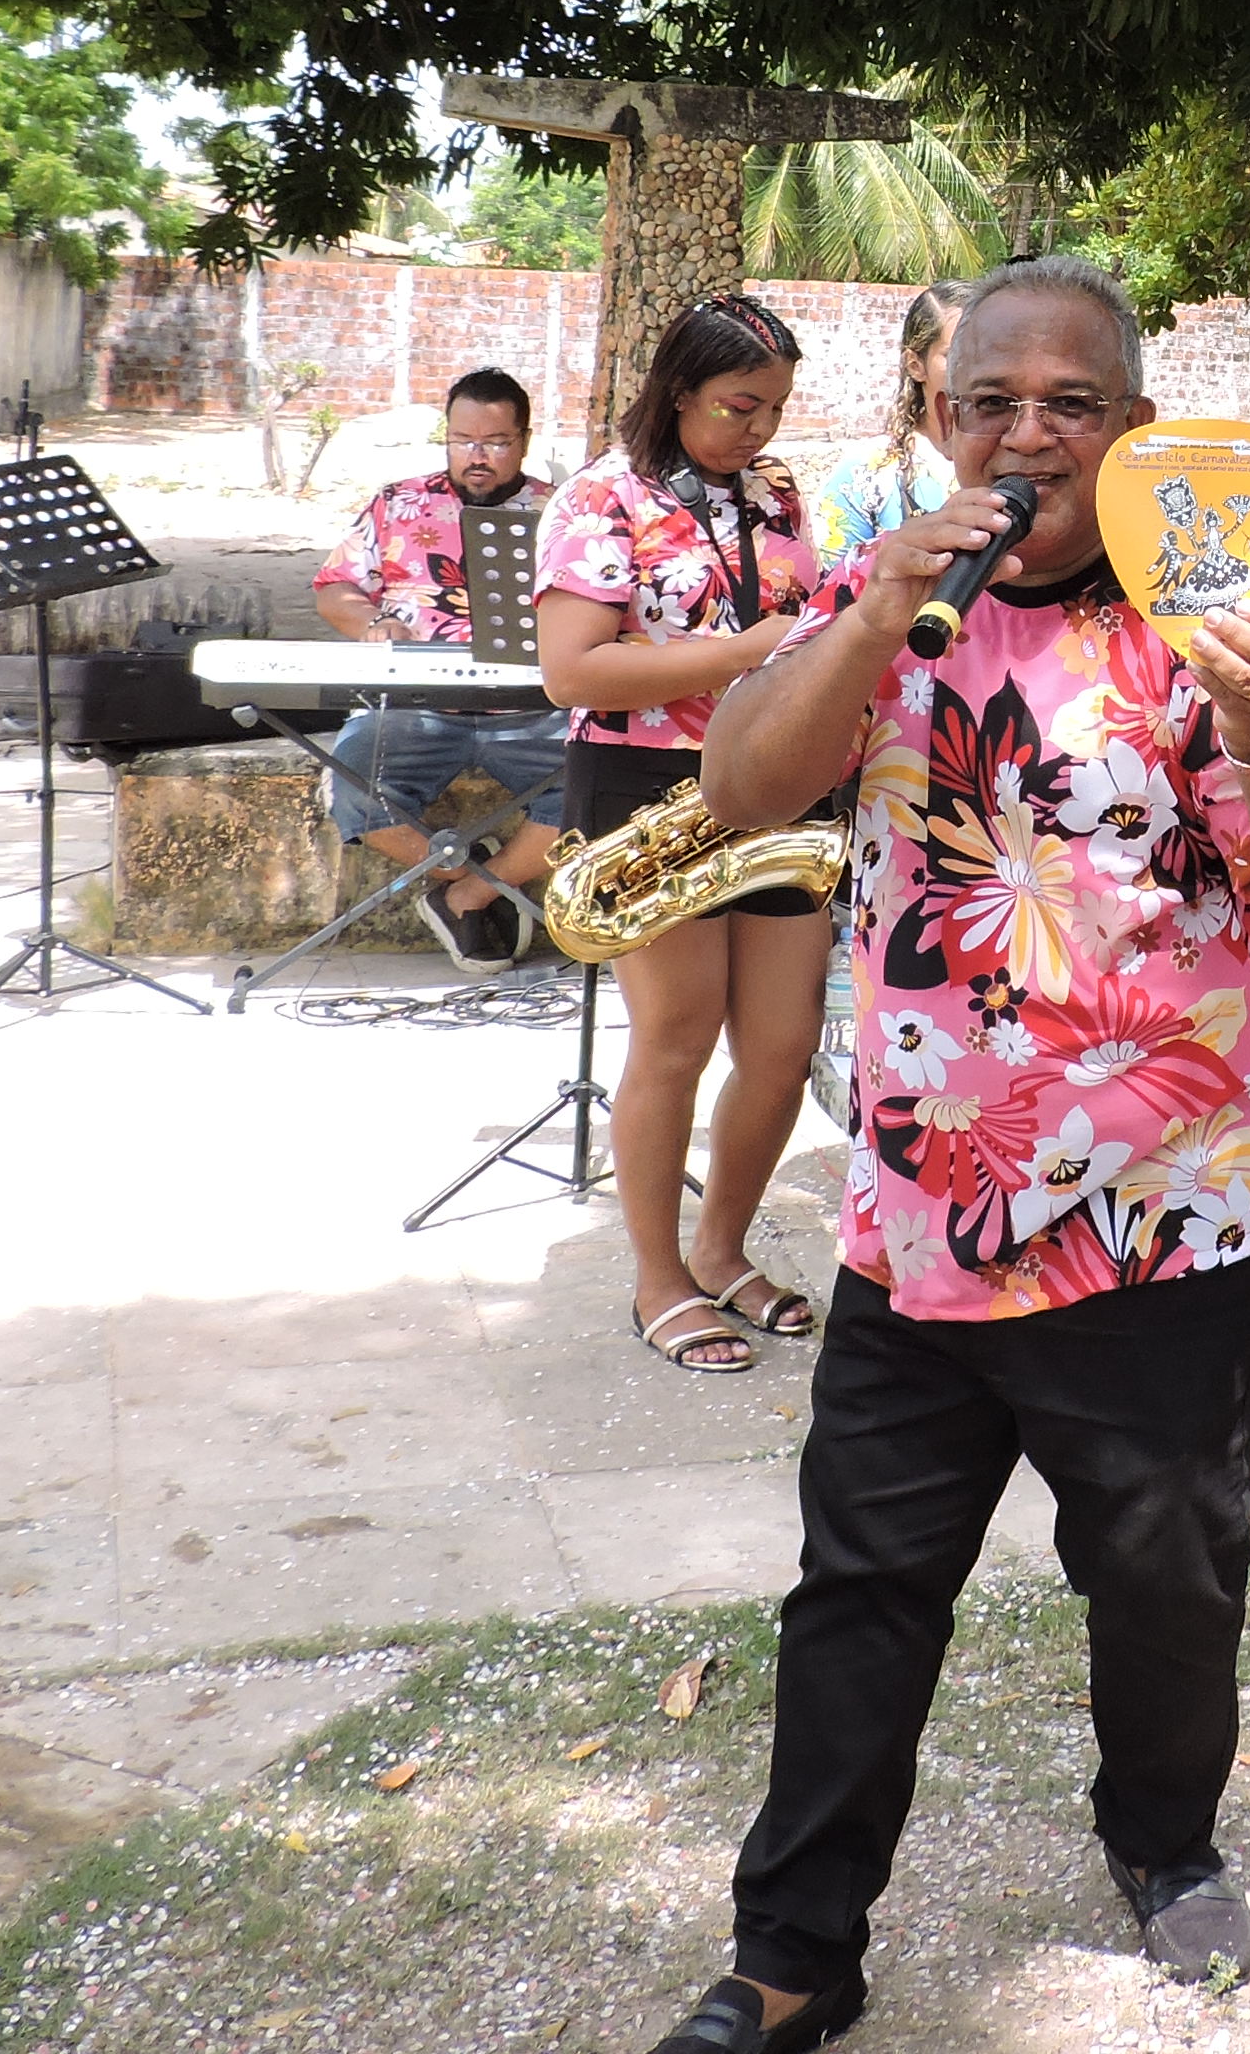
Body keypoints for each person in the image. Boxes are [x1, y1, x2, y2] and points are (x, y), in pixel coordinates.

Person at [662, 258, 1250, 2054]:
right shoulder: (881, 593)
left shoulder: (1211, 610)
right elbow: (743, 784)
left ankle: (1162, 1842)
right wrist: (864, 620)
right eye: (991, 401)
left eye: (1071, 404)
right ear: (940, 418)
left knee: (1166, 1580)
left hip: (1172, 1218)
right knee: (860, 1586)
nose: (1027, 435)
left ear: (1132, 428)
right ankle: (793, 1950)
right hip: (923, 1212)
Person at [535, 296, 831, 1374]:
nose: (760, 430)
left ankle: (722, 1250)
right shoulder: (599, 497)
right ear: (677, 393)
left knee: (784, 1045)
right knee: (677, 1035)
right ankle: (659, 1279)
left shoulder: (774, 492)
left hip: (777, 774)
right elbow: (573, 670)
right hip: (649, 783)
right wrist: (750, 650)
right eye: (739, 407)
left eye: (775, 409)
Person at [310, 368, 568, 973]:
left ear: (525, 441)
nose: (477, 457)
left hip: (532, 704)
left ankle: (469, 896)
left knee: (598, 786)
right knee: (351, 783)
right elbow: (334, 588)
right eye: (462, 441)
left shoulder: (561, 511)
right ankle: (464, 869)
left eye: (496, 443)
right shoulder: (397, 502)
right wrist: (372, 623)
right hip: (415, 704)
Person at [816, 281, 966, 561]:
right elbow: (834, 581)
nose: (975, 369)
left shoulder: (1024, 463)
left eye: (990, 353)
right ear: (915, 365)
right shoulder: (865, 474)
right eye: (956, 355)